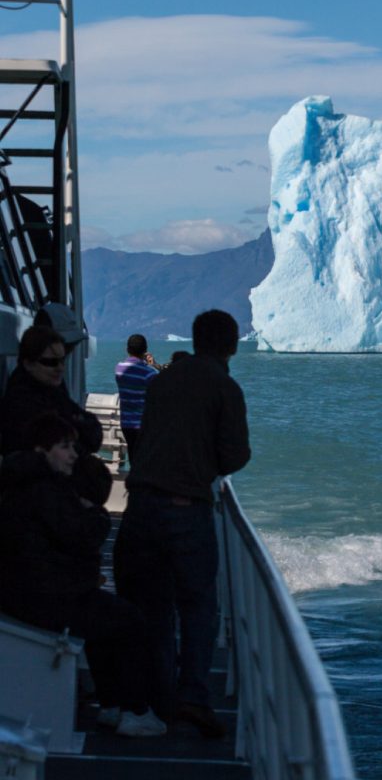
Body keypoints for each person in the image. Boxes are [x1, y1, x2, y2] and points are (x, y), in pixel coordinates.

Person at [114, 310, 250, 738]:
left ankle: (156, 699)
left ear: (194, 340)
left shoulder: (162, 382)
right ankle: (193, 697)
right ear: (232, 346)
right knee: (197, 607)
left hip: (141, 507)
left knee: (151, 607)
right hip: (186, 510)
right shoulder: (225, 388)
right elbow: (234, 457)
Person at [0, 413, 166, 738]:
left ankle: (111, 705)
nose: (74, 454)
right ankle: (135, 710)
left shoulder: (21, 483)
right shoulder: (43, 490)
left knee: (104, 621)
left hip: (27, 591)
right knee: (130, 622)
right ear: (41, 450)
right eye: (64, 447)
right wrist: (98, 514)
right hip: (44, 597)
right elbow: (80, 535)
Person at [0, 325, 101, 457]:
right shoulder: (21, 403)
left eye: (62, 360)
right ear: (28, 364)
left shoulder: (53, 388)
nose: (60, 368)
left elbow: (93, 437)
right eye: (51, 362)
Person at [114, 334, 160, 459]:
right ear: (145, 351)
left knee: (133, 457)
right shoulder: (149, 373)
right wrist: (153, 365)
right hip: (143, 426)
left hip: (126, 425)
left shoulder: (119, 368)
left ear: (127, 349)